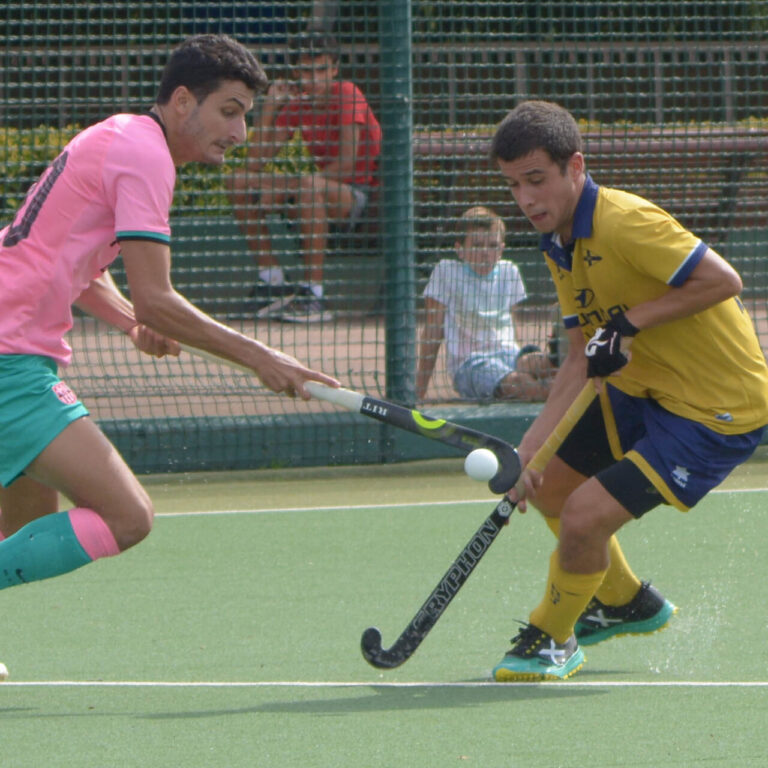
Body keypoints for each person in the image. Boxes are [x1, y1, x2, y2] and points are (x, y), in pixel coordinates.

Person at [0, 34, 339, 677]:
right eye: (230, 111)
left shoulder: (121, 135)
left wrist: (130, 323)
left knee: (24, 518)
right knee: (127, 517)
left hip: (15, 346)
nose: (240, 132)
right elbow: (158, 298)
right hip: (10, 356)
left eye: (245, 115)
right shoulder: (146, 156)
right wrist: (264, 358)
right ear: (183, 101)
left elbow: (73, 261)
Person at [487, 100, 768, 681]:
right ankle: (625, 602)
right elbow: (577, 357)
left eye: (536, 179)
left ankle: (552, 637)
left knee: (583, 517)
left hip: (716, 409)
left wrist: (630, 323)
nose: (526, 199)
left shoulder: (625, 222)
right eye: (513, 185)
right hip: (644, 389)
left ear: (575, 167)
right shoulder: (558, 241)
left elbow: (723, 280)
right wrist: (528, 454)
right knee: (550, 484)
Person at [229, 30, 382, 323]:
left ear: (334, 69)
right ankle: (273, 280)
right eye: (306, 71)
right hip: (315, 194)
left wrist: (291, 188)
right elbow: (254, 163)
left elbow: (348, 166)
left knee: (309, 186)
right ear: (296, 72)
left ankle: (315, 294)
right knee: (238, 180)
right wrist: (270, 107)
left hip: (365, 201)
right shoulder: (298, 103)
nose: (314, 79)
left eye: (321, 70)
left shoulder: (348, 94)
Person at [416, 206, 553, 403]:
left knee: (548, 366)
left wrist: (521, 362)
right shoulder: (446, 272)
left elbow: (512, 326)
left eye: (492, 245)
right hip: (471, 364)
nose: (485, 253)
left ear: (501, 249)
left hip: (510, 354)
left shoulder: (509, 271)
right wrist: (419, 392)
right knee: (523, 385)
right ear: (460, 249)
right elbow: (432, 331)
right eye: (477, 245)